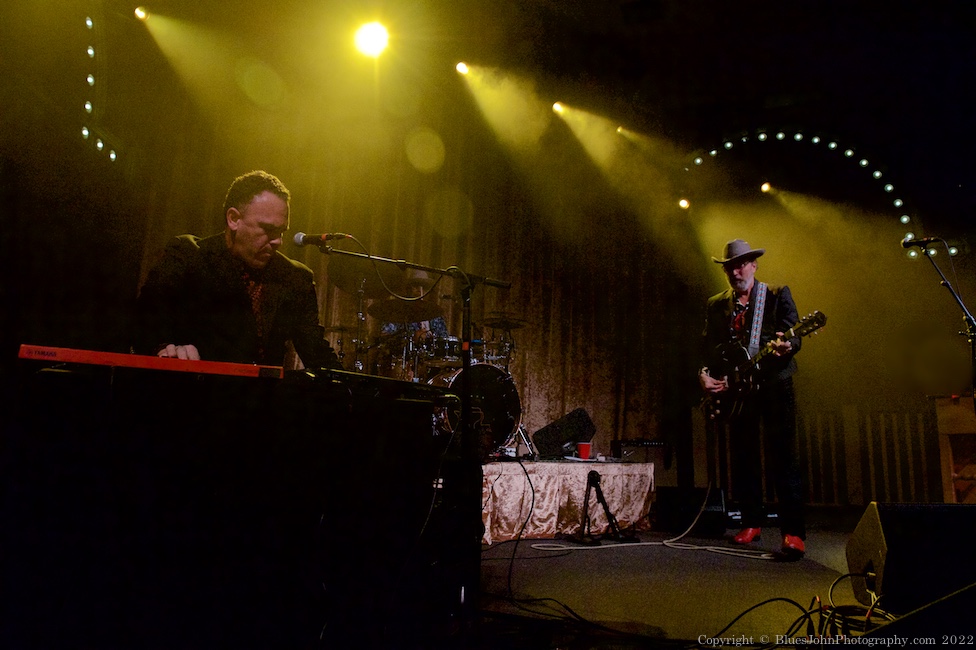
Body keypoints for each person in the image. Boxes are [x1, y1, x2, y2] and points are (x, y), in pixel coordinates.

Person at [135, 170, 341, 369]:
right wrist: (164, 347)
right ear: (233, 219)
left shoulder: (295, 278)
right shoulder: (188, 257)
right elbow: (143, 319)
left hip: (262, 393)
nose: (278, 241)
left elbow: (316, 353)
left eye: (281, 232)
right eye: (268, 229)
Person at [698, 239, 806, 560]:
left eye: (741, 265)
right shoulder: (717, 304)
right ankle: (751, 522)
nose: (736, 272)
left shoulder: (776, 294)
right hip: (738, 389)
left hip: (774, 384)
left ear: (754, 265)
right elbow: (708, 347)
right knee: (743, 457)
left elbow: (794, 334)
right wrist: (704, 373)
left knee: (784, 458)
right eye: (730, 267)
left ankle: (793, 533)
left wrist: (788, 346)